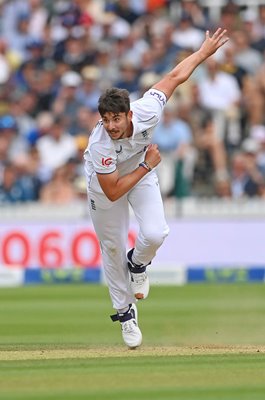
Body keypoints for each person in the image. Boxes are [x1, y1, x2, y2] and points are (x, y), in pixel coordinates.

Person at [83, 28, 229, 349]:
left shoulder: (148, 108)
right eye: (106, 119)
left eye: (116, 118)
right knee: (111, 249)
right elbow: (113, 191)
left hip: (140, 169)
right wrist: (148, 166)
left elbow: (175, 76)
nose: (111, 126)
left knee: (155, 234)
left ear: (129, 113)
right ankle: (125, 314)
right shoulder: (100, 146)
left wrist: (204, 52)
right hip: (106, 185)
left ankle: (138, 263)